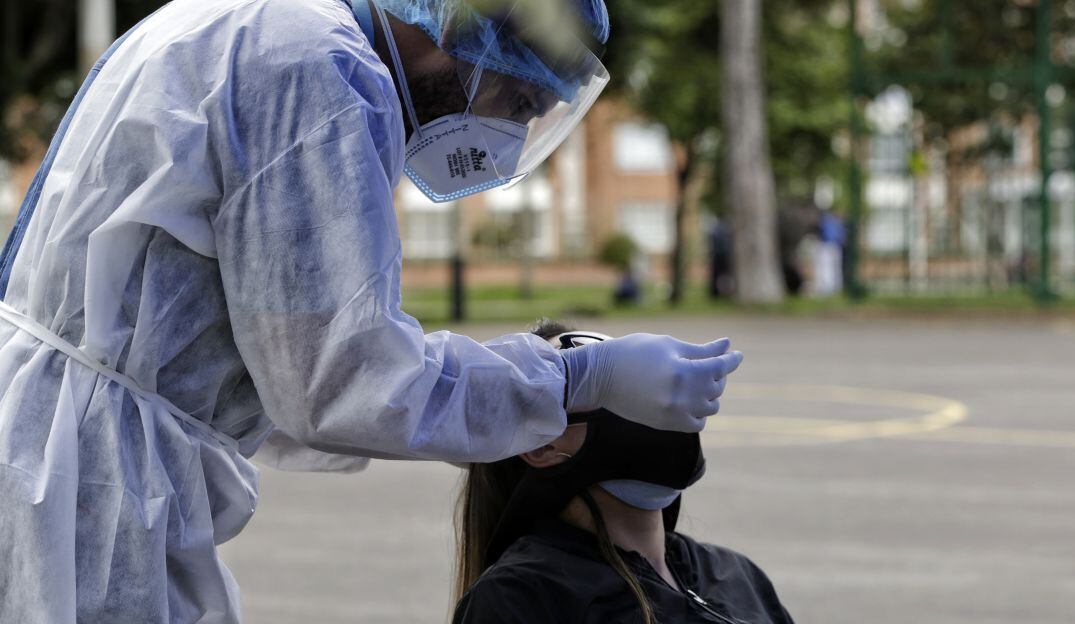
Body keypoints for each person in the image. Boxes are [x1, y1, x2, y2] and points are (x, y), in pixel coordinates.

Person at [0, 0, 745, 621]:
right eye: (516, 102)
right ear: (464, 30)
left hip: (66, 450)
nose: (509, 137)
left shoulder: (256, 25)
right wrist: (572, 380)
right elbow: (341, 378)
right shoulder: (319, 71)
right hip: (85, 477)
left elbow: (284, 366)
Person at [451, 322, 790, 624]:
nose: (646, 391)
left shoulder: (735, 575)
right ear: (540, 446)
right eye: (602, 384)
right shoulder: (523, 598)